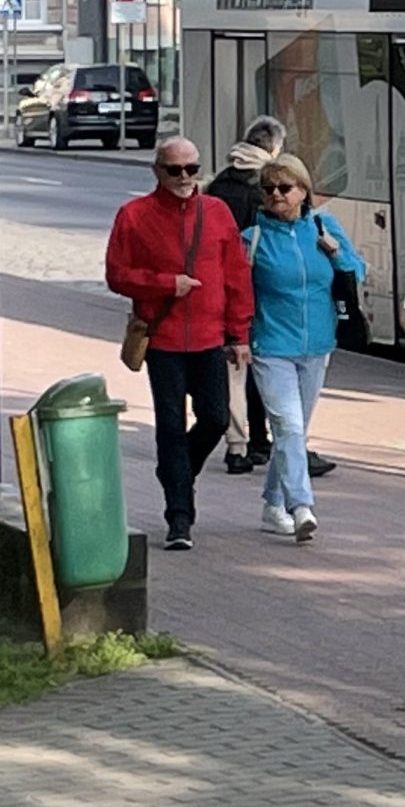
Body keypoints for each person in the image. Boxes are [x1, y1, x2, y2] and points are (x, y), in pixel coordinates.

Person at [105, 137, 255, 552]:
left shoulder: (218, 213)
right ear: (157, 170)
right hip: (164, 339)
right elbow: (117, 275)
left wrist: (239, 334)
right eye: (175, 170)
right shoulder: (134, 215)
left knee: (215, 419)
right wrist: (167, 284)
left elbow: (236, 277)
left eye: (193, 168)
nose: (185, 178)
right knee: (170, 425)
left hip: (209, 338)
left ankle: (176, 471)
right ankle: (179, 516)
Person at [205, 115, 336, 481]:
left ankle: (238, 446)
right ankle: (276, 450)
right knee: (266, 381)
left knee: (235, 375)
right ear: (274, 149)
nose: (275, 193)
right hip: (260, 306)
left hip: (226, 296)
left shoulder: (218, 183)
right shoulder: (264, 186)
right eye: (272, 189)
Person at [242, 153, 364, 541]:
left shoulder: (323, 226)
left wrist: (336, 253)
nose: (276, 195)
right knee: (289, 427)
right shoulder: (252, 239)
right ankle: (301, 505)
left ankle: (272, 504)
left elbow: (357, 271)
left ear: (303, 190)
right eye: (268, 189)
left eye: (284, 187)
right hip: (271, 344)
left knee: (293, 431)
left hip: (318, 343)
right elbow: (237, 291)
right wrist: (237, 337)